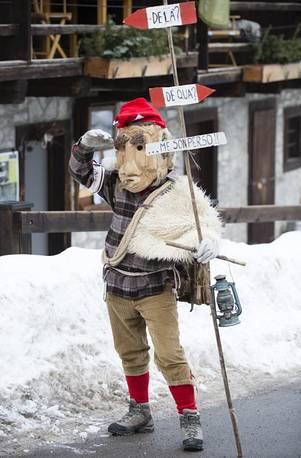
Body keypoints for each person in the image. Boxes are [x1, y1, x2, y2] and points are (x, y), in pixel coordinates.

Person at [69, 98, 221, 452]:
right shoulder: (116, 185)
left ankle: (189, 417)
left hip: (155, 288)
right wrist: (83, 148)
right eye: (124, 152)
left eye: (140, 149)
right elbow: (82, 173)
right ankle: (140, 411)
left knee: (170, 354)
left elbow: (205, 223)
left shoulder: (176, 190)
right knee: (130, 351)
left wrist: (208, 241)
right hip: (117, 284)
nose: (130, 165)